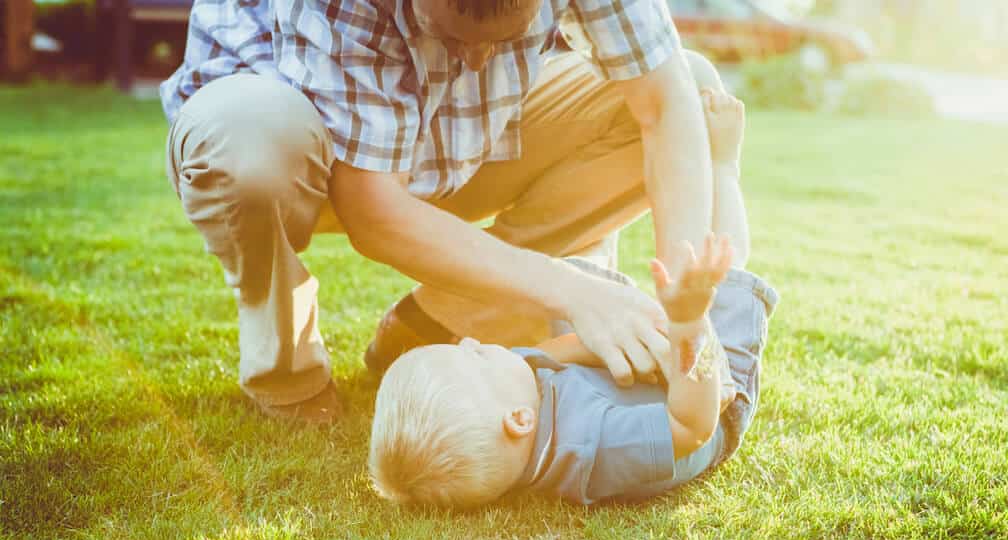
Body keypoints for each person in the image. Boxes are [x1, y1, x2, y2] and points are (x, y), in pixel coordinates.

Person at [161, 0, 722, 422]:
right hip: (301, 154)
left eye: (505, 37)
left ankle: (438, 321)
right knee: (248, 147)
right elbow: (374, 213)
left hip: (464, 140)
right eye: (451, 35)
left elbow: (665, 103)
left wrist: (684, 295)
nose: (477, 59)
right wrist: (574, 291)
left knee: (696, 88)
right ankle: (288, 372)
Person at [368, 90, 778, 507]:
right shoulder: (599, 446)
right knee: (723, 271)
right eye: (475, 357)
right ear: (519, 421)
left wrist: (625, 337)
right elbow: (692, 426)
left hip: (637, 375)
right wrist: (690, 331)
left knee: (581, 287)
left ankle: (610, 255)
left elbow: (553, 353)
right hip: (707, 396)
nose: (469, 341)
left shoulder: (514, 392)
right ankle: (725, 166)